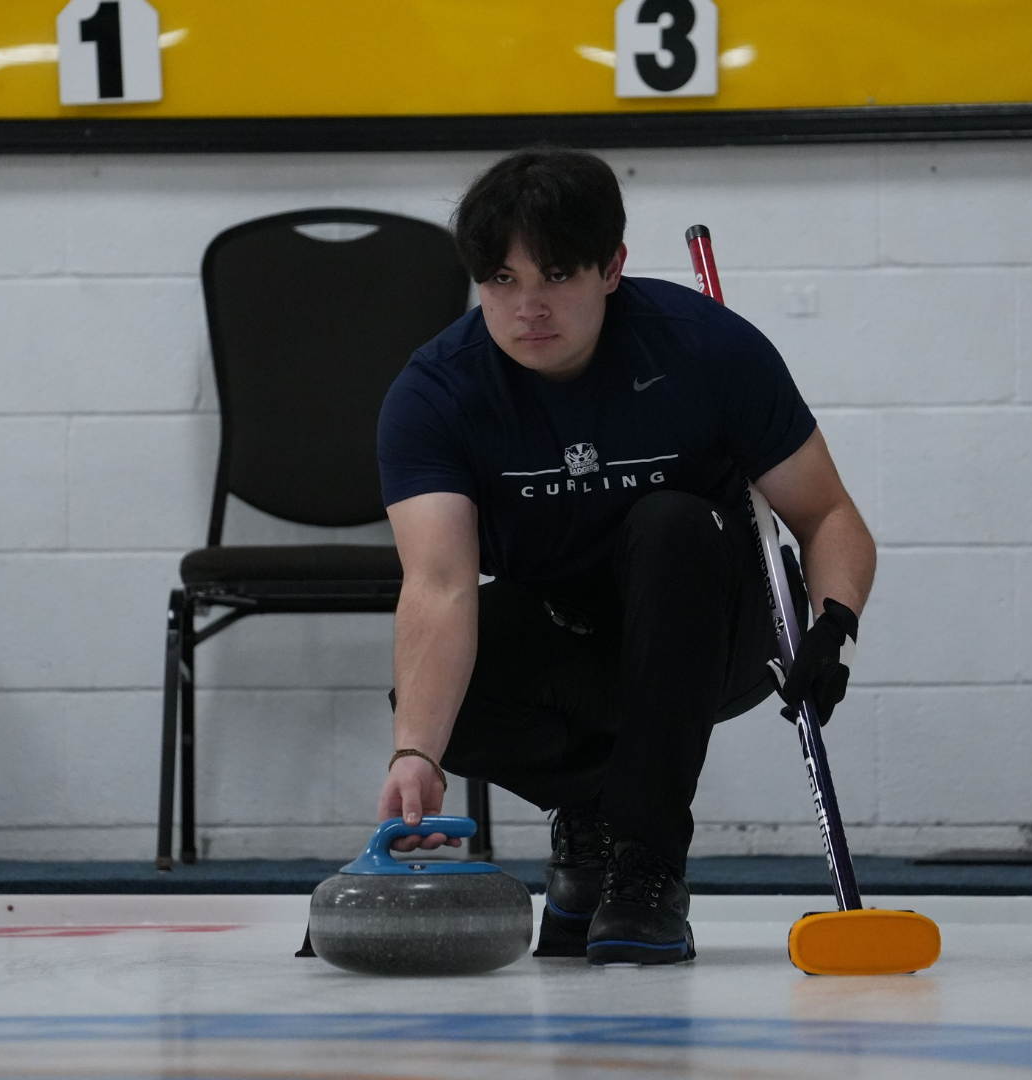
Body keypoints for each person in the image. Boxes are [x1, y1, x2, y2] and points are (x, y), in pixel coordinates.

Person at [374, 146, 876, 965]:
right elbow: (438, 587)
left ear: (613, 267)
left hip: (712, 626)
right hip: (573, 641)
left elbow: (827, 514)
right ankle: (597, 818)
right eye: (501, 280)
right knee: (443, 689)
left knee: (671, 524)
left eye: (557, 275)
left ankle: (646, 866)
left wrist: (837, 624)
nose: (527, 307)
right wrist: (415, 753)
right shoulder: (438, 393)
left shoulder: (704, 349)